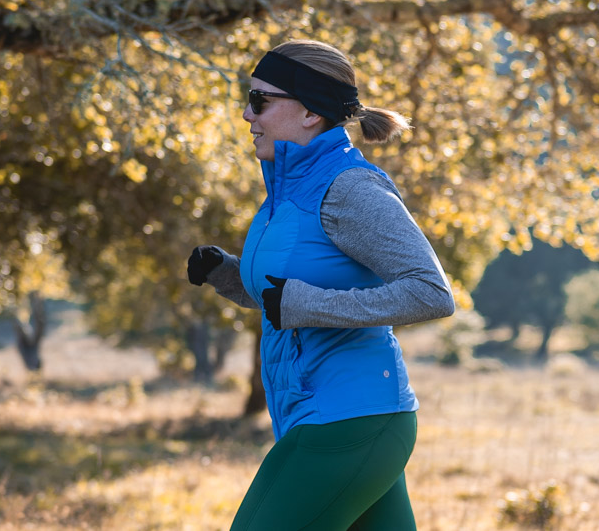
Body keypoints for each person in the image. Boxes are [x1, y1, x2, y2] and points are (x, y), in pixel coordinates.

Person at [187, 39, 455, 530]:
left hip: (351, 419)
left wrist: (307, 304)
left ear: (310, 112)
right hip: (322, 417)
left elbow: (431, 292)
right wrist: (227, 271)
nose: (248, 114)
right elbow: (282, 300)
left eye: (261, 100)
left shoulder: (350, 187)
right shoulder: (286, 191)